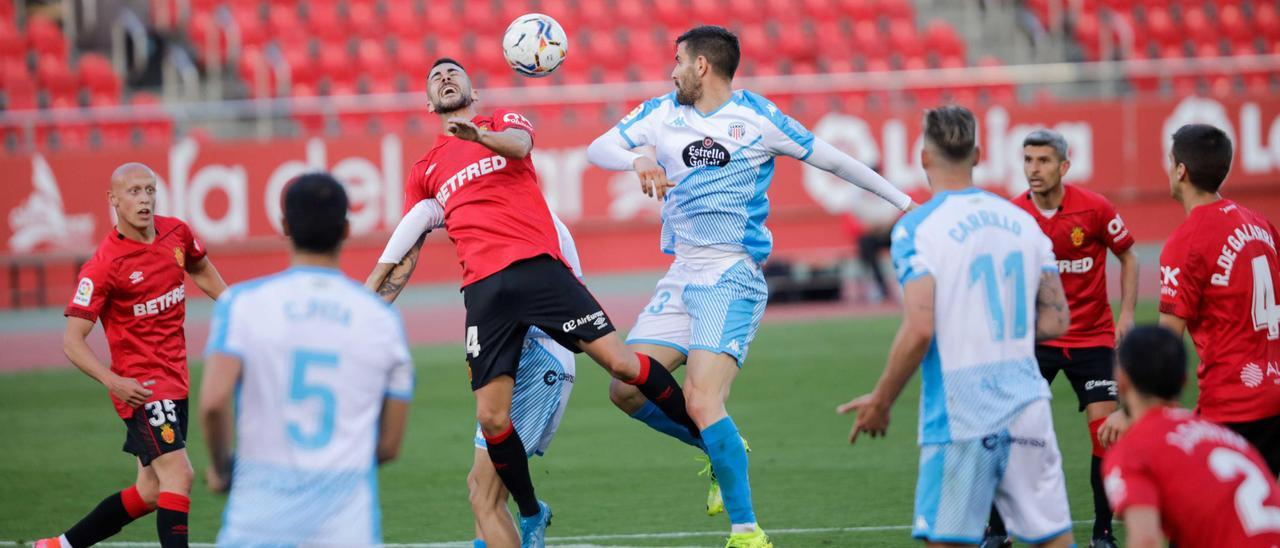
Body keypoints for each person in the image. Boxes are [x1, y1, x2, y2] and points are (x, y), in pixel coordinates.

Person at [585, 25, 914, 548]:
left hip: (732, 273)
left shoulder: (757, 117)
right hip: (682, 272)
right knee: (624, 388)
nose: (670, 71)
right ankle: (719, 448)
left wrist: (905, 205)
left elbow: (832, 158)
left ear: (701, 67)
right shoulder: (661, 112)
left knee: (701, 396)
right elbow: (597, 149)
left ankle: (747, 531)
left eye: (677, 61)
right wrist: (638, 159)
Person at [382, 57, 700, 548]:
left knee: (622, 364)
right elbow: (408, 246)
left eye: (454, 73)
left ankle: (709, 439)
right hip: (484, 293)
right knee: (490, 420)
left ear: (473, 92)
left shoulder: (502, 124)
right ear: (428, 101)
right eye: (435, 77)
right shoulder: (424, 170)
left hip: (538, 270)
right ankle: (532, 511)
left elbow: (522, 145)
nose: (445, 77)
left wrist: (478, 137)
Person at [838, 106, 1075, 547]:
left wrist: (882, 400)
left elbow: (920, 328)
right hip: (1029, 404)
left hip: (962, 413)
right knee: (1053, 538)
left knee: (947, 539)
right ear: (979, 154)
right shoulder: (1025, 223)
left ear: (924, 158)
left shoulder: (917, 228)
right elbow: (1057, 318)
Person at [199, 173, 414, 546]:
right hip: (345, 528)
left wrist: (221, 469)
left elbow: (214, 402)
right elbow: (389, 445)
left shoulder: (243, 305)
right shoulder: (381, 319)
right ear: (347, 229)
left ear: (284, 225)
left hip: (258, 522)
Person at [365, 197, 580, 548]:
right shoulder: (505, 204)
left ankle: (532, 513)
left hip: (538, 358)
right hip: (517, 357)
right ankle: (530, 512)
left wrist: (370, 289)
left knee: (486, 497)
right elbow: (424, 215)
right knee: (480, 490)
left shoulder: (518, 213)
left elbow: (421, 213)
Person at [35, 163, 227, 548]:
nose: (145, 199)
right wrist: (114, 381)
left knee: (151, 491)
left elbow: (200, 267)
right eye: (135, 192)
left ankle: (58, 546)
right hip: (140, 386)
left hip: (176, 379)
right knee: (179, 475)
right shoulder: (105, 264)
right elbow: (73, 341)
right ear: (113, 199)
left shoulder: (177, 233)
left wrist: (236, 304)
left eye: (150, 190)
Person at [984, 129, 1140, 548]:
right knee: (1000, 429)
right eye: (1028, 160)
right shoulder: (1013, 215)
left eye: (1044, 161)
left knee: (1105, 433)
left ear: (1064, 167)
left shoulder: (1094, 209)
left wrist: (1126, 313)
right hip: (1035, 342)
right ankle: (997, 532)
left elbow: (1128, 255)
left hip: (1092, 339)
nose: (1034, 169)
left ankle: (1103, 533)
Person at [1152, 123, 1280, 475]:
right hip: (1273, 396)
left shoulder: (1186, 242)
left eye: (1169, 160)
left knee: (1199, 524)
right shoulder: (1260, 224)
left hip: (1233, 404)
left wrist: (1135, 413)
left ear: (1181, 171)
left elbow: (1165, 346)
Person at [1103, 325, 1280, 547]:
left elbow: (1145, 541)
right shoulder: (1223, 436)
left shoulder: (1134, 449)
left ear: (1121, 381)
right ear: (1184, 380)